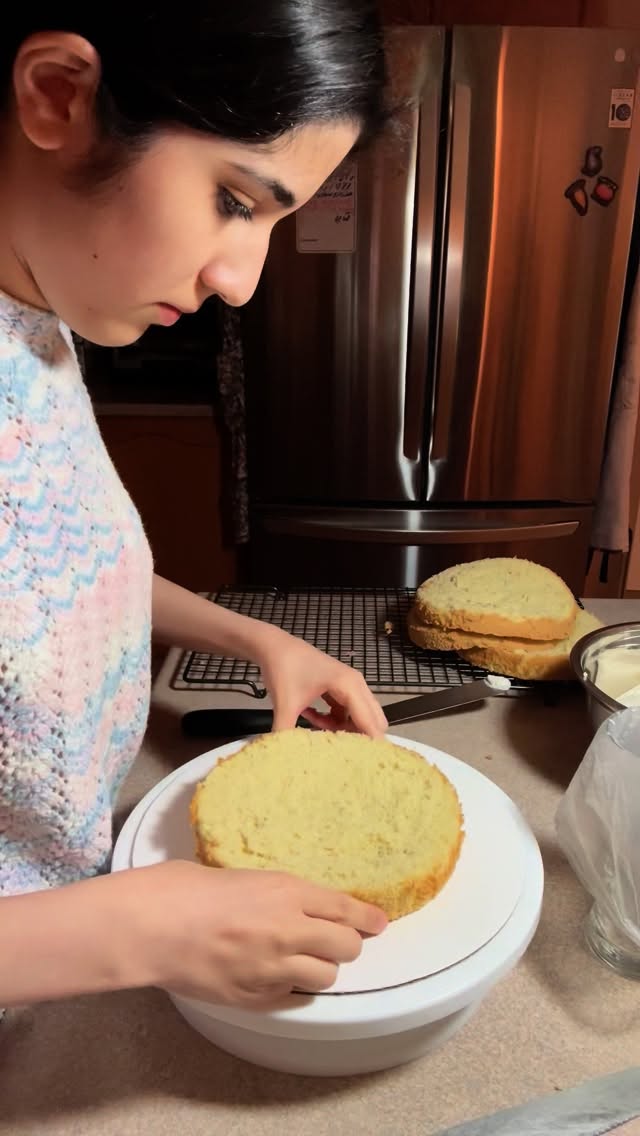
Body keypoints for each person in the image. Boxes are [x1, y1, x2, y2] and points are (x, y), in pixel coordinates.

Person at [0, 4, 390, 1014]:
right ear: (57, 96)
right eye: (233, 198)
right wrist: (140, 926)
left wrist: (250, 636)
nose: (241, 278)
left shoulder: (37, 321)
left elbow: (58, 567)